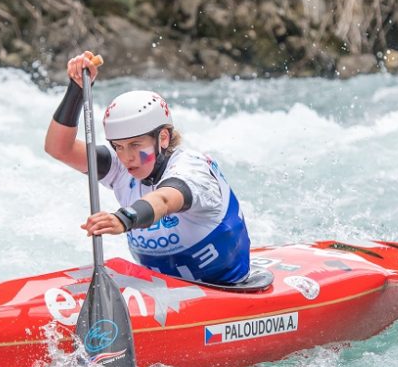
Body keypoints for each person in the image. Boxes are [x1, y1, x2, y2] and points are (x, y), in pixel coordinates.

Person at [44, 51, 250, 285]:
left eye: (135, 145)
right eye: (118, 147)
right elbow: (59, 148)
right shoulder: (122, 166)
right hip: (162, 290)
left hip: (227, 287)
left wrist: (124, 218)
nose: (127, 157)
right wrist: (77, 89)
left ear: (163, 137)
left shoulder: (192, 169)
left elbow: (163, 200)